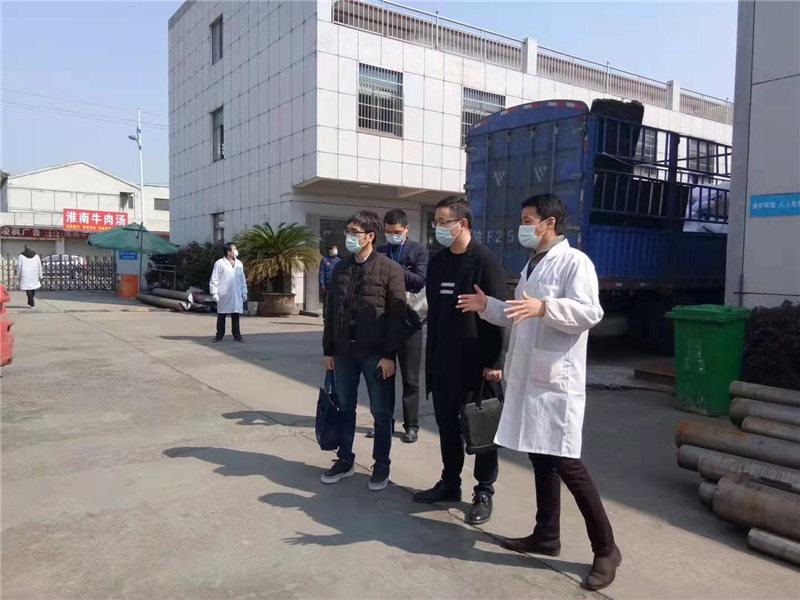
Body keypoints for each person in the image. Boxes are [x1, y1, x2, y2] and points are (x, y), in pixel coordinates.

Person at [457, 193, 620, 591]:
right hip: (530, 378)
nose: (522, 227)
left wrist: (546, 308)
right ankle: (546, 534)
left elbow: (590, 312)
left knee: (567, 464)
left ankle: (606, 549)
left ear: (550, 223)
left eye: (528, 220)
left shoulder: (575, 262)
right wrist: (488, 305)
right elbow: (519, 314)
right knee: (541, 458)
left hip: (555, 382)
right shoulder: (533, 264)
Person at [413, 196, 506, 526]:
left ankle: (484, 491)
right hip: (442, 361)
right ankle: (450, 482)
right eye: (436, 222)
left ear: (462, 224)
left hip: (475, 364)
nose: (437, 228)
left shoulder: (484, 262)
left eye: (443, 222)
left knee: (480, 429)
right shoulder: (438, 263)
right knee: (447, 426)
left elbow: (497, 316)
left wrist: (494, 362)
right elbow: (434, 312)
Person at [322, 211, 406, 491]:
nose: (348, 236)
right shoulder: (341, 269)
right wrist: (329, 350)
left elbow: (396, 317)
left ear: (370, 236)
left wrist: (389, 355)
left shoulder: (390, 270)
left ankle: (381, 465)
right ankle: (345, 459)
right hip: (344, 352)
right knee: (345, 408)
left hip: (376, 354)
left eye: (354, 232)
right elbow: (330, 312)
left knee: (381, 413)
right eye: (347, 230)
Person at [370, 209, 428, 444]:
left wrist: (393, 270)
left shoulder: (418, 250)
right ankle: (383, 423)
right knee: (382, 376)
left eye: (396, 232)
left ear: (406, 230)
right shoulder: (380, 251)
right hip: (384, 324)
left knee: (410, 379)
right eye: (388, 231)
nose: (392, 235)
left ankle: (411, 425)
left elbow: (419, 281)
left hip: (409, 323)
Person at [210, 242, 248, 343]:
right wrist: (214, 293)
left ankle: (237, 335)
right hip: (224, 293)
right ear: (228, 252)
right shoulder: (219, 263)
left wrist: (244, 291)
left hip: (236, 293)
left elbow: (242, 279)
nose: (236, 251)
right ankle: (219, 335)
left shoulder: (239, 264)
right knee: (222, 315)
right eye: (234, 249)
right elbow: (214, 278)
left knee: (235, 315)